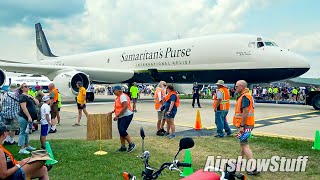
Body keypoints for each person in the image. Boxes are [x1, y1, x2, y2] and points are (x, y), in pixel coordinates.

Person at [233, 80, 260, 175]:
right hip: (248, 124)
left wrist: (242, 126)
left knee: (244, 145)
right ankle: (239, 162)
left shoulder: (245, 97)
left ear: (242, 87)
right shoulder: (247, 95)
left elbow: (245, 112)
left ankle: (254, 167)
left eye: (236, 86)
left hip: (245, 125)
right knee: (243, 144)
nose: (235, 88)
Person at [108, 86, 136, 152]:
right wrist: (113, 111)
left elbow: (125, 106)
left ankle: (131, 144)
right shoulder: (118, 97)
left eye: (114, 90)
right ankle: (123, 147)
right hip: (121, 116)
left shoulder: (122, 96)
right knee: (121, 131)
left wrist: (117, 116)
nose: (113, 92)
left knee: (122, 130)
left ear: (118, 90)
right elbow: (119, 106)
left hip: (126, 115)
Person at [17, 83, 38, 154]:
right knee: (22, 132)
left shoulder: (29, 96)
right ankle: (21, 148)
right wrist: (29, 116)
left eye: (28, 86)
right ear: (22, 88)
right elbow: (24, 108)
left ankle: (27, 145)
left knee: (27, 132)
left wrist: (32, 97)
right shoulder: (22, 97)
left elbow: (37, 103)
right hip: (24, 117)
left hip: (30, 117)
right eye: (25, 87)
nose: (27, 88)